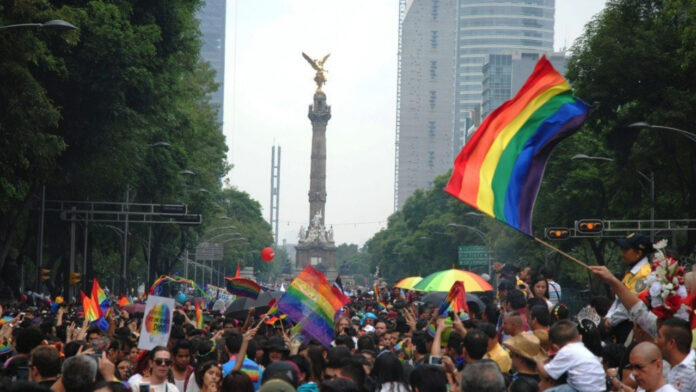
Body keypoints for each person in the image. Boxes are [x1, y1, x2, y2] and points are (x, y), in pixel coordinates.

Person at [605, 233, 654, 344]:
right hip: (619, 323)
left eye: (626, 249)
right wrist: (608, 317)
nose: (622, 253)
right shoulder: (631, 272)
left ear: (638, 253)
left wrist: (611, 321)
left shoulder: (643, 274)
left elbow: (629, 306)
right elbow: (619, 300)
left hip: (629, 325)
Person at [537, 320, 606, 392]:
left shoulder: (565, 351)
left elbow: (546, 373)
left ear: (555, 347)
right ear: (579, 338)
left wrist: (539, 362)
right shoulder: (582, 349)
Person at [654, 318, 696, 392]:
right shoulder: (664, 365)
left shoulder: (693, 371)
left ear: (671, 343)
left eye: (659, 336)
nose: (655, 341)